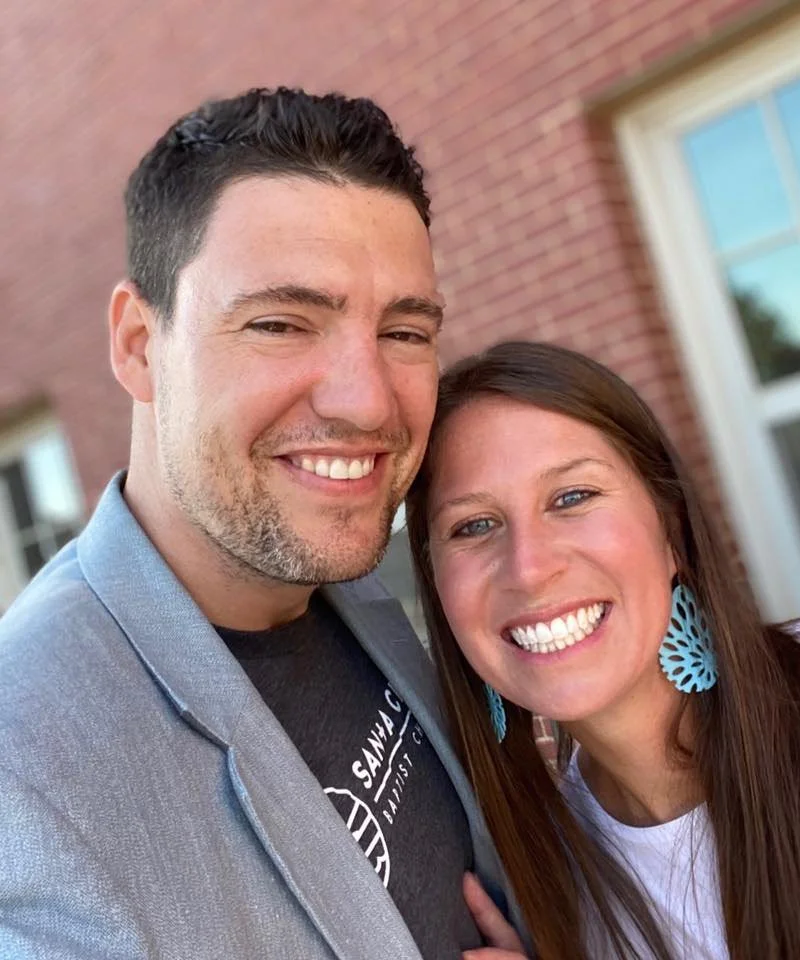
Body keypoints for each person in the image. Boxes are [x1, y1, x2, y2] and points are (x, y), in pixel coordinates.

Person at [0, 88, 522, 960]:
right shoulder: (28, 772)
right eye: (281, 323)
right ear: (137, 344)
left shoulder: (348, 588)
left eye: (404, 331)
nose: (366, 401)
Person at [405, 340, 800, 960]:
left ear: (670, 531)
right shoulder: (551, 893)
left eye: (572, 498)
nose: (529, 570)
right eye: (473, 526)